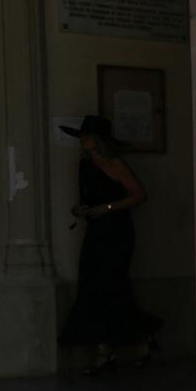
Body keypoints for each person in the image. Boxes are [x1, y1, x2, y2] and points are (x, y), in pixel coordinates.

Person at [59, 115, 161, 374]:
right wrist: (80, 209)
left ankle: (140, 339)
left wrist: (106, 208)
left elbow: (139, 195)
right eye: (81, 136)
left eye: (87, 136)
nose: (82, 140)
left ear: (99, 139)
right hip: (96, 231)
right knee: (91, 287)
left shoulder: (115, 164)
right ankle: (105, 351)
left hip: (117, 232)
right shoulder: (85, 165)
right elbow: (85, 199)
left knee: (114, 286)